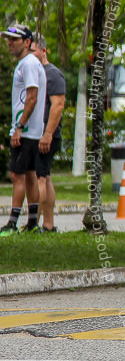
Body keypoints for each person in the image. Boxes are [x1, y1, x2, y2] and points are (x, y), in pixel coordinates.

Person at [2, 24, 46, 235]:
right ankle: (32, 223)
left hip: (26, 130)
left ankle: (11, 223)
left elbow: (32, 96)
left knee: (16, 175)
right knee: (29, 175)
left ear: (27, 42)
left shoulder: (28, 64)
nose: (9, 43)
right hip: (30, 130)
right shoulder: (28, 63)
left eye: (14, 39)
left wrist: (19, 127)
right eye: (8, 39)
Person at [30, 35, 65, 233]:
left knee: (39, 178)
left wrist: (47, 133)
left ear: (44, 50)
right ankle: (48, 225)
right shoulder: (36, 73)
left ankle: (34, 223)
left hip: (47, 135)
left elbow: (58, 105)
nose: (31, 55)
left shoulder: (53, 74)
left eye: (34, 51)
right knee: (46, 176)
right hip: (37, 133)